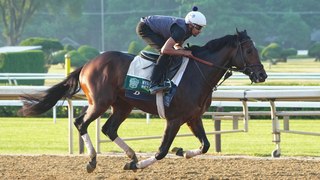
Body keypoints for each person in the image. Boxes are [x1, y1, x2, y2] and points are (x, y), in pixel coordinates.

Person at [136, 6, 207, 94]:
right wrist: (184, 52)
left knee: (174, 53)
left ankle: (165, 79)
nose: (200, 31)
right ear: (191, 25)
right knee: (166, 54)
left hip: (153, 28)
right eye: (199, 28)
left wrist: (183, 51)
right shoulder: (180, 30)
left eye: (202, 28)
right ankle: (153, 84)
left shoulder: (188, 31)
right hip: (145, 27)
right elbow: (165, 50)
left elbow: (177, 45)